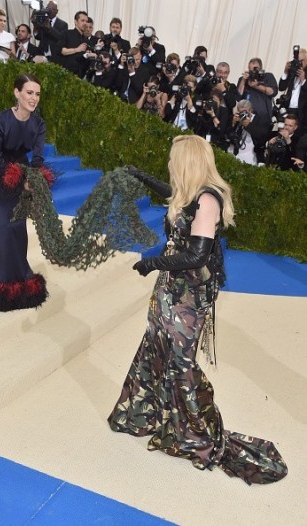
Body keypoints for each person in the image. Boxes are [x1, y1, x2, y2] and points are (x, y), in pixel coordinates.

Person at [108, 135, 288, 485]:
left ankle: (196, 435)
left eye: (174, 160)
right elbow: (175, 198)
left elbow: (196, 256)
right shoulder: (191, 194)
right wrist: (143, 177)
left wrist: (153, 263)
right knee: (156, 348)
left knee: (180, 361)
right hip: (171, 290)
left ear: (187, 162)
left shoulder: (208, 200)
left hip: (188, 294)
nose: (170, 166)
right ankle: (145, 413)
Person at [0, 73, 49, 312]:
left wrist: (33, 178)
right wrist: (20, 180)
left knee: (17, 226)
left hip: (22, 175)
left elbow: (37, 158)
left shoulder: (38, 124)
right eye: (29, 92)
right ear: (16, 92)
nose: (34, 98)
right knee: (0, 226)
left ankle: (20, 279)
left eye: (37, 94)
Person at [237, 57, 278, 127]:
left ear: (260, 69)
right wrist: (243, 80)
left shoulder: (267, 76)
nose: (253, 72)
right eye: (251, 70)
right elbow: (238, 96)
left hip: (263, 117)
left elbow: (273, 92)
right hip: (247, 116)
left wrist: (256, 86)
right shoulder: (243, 79)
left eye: (255, 69)